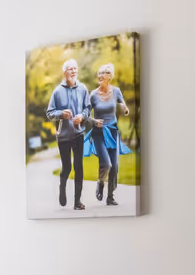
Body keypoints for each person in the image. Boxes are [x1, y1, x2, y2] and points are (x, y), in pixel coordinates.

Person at [82, 62, 132, 207]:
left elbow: (122, 104)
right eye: (99, 72)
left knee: (115, 166)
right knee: (106, 163)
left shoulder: (116, 91)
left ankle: (110, 197)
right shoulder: (93, 95)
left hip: (113, 131)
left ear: (109, 76)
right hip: (98, 133)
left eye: (103, 72)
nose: (100, 75)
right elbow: (86, 114)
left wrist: (124, 107)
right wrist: (93, 120)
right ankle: (100, 182)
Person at [45, 59, 91, 210]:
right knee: (67, 167)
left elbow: (87, 109)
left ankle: (77, 202)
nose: (73, 71)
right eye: (70, 69)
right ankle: (62, 187)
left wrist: (82, 117)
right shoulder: (57, 91)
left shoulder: (83, 88)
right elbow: (49, 113)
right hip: (63, 136)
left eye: (75, 68)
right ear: (64, 72)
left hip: (78, 134)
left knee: (79, 167)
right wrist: (61, 114)